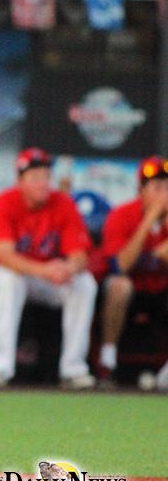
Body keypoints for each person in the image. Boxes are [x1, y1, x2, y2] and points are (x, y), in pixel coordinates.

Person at [0, 148, 97, 389]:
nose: (42, 183)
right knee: (9, 280)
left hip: (47, 278)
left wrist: (68, 268)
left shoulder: (62, 203)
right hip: (7, 274)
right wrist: (46, 270)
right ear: (20, 181)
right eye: (34, 177)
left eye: (45, 176)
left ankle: (73, 369)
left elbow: (80, 256)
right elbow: (5, 256)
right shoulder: (4, 202)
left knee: (84, 283)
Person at [95, 156, 168, 387]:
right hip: (132, 290)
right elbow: (120, 266)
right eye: (157, 187)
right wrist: (148, 221)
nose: (164, 193)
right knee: (119, 284)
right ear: (140, 191)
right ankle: (107, 362)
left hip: (162, 289)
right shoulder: (122, 215)